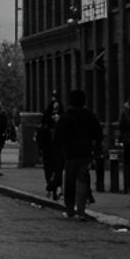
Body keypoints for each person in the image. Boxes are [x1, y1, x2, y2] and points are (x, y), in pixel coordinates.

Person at [54, 89, 103, 220]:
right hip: (85, 153)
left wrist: (60, 149)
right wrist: (96, 147)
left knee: (69, 182)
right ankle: (81, 209)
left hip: (70, 154)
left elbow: (58, 137)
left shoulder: (65, 117)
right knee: (83, 180)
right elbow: (98, 133)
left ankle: (70, 210)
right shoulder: (89, 116)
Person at [37, 98, 63, 197]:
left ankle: (56, 186)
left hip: (57, 148)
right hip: (48, 148)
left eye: (57, 109)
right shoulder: (46, 120)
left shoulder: (62, 119)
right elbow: (41, 134)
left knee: (58, 168)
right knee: (49, 168)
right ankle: (50, 183)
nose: (55, 111)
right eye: (54, 109)